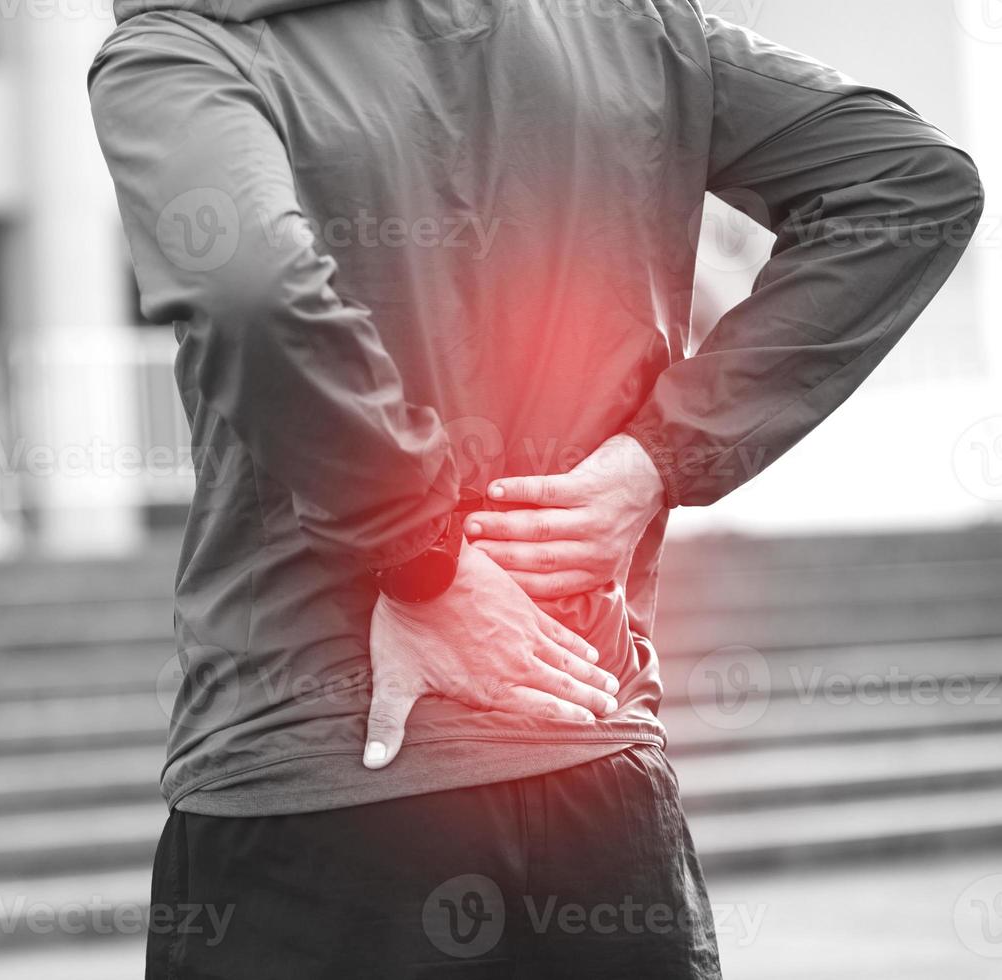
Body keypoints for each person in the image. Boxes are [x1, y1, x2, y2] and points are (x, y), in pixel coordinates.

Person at [89, 0, 984, 975]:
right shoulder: (628, 23)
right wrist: (660, 453)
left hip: (312, 783)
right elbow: (911, 183)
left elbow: (247, 290)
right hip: (595, 781)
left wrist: (422, 558)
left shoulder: (185, 48)